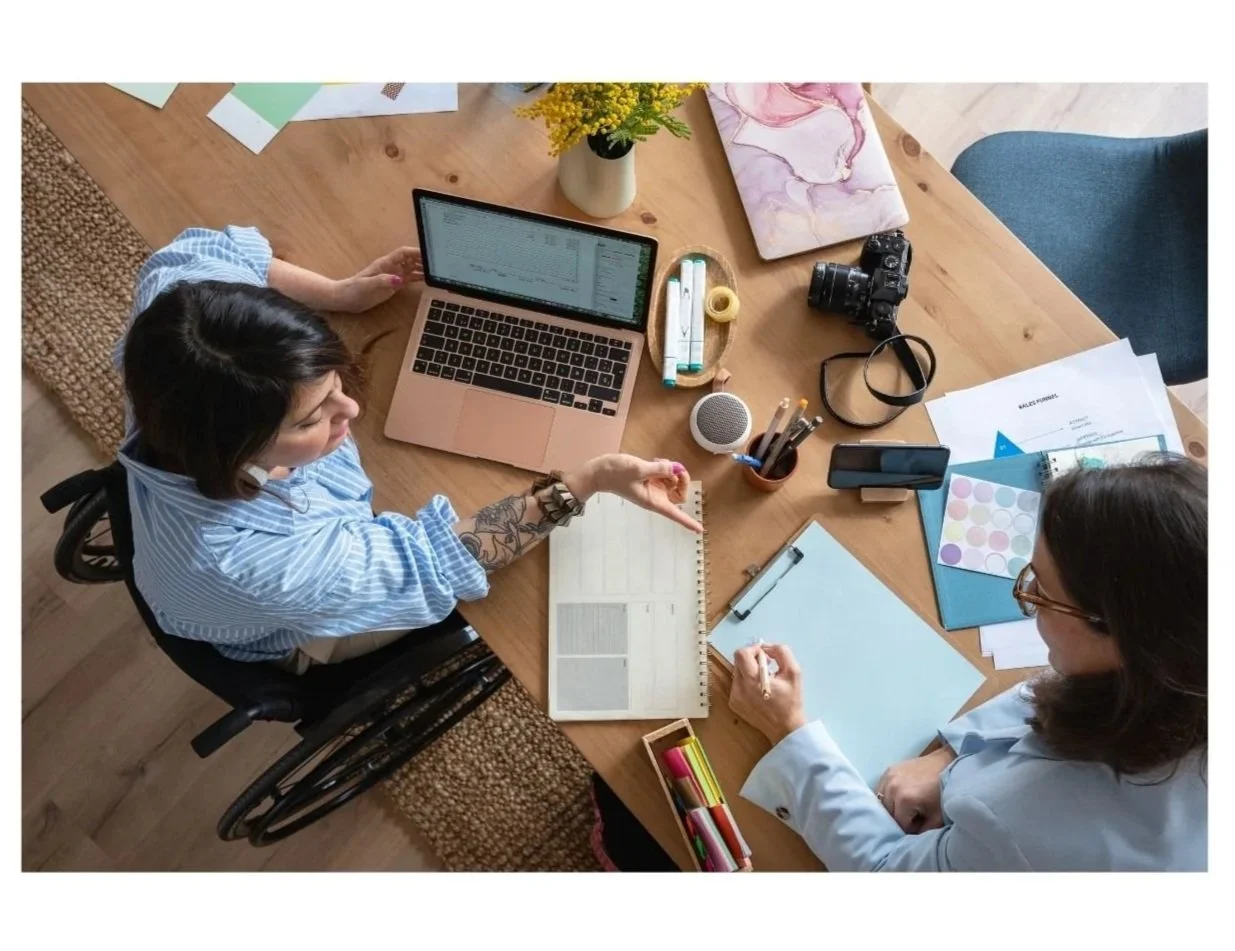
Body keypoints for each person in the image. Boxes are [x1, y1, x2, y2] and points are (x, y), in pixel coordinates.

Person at [117, 226, 702, 671]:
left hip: (208, 542)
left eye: (333, 383)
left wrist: (339, 294)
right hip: (280, 626)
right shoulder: (271, 566)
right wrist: (585, 480)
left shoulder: (176, 317)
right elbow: (437, 563)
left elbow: (212, 248)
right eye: (314, 417)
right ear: (238, 450)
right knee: (482, 619)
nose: (351, 411)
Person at [728, 454, 1207, 871]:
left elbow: (884, 875)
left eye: (1040, 590)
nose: (1028, 598)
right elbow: (1081, 684)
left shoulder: (1033, 825)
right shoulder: (1183, 655)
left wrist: (788, 729)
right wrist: (953, 756)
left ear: (1120, 635)